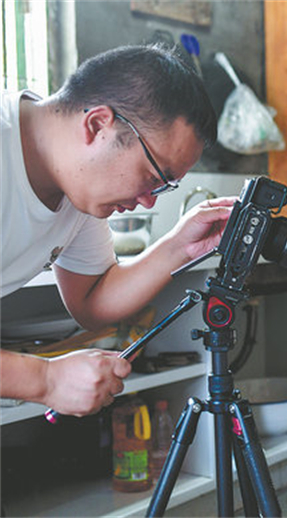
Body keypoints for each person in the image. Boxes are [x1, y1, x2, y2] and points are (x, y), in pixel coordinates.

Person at [1, 44, 236, 416]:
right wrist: (44, 380)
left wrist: (179, 247)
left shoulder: (77, 187)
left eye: (164, 187)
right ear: (98, 125)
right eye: (153, 177)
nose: (150, 201)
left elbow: (92, 302)